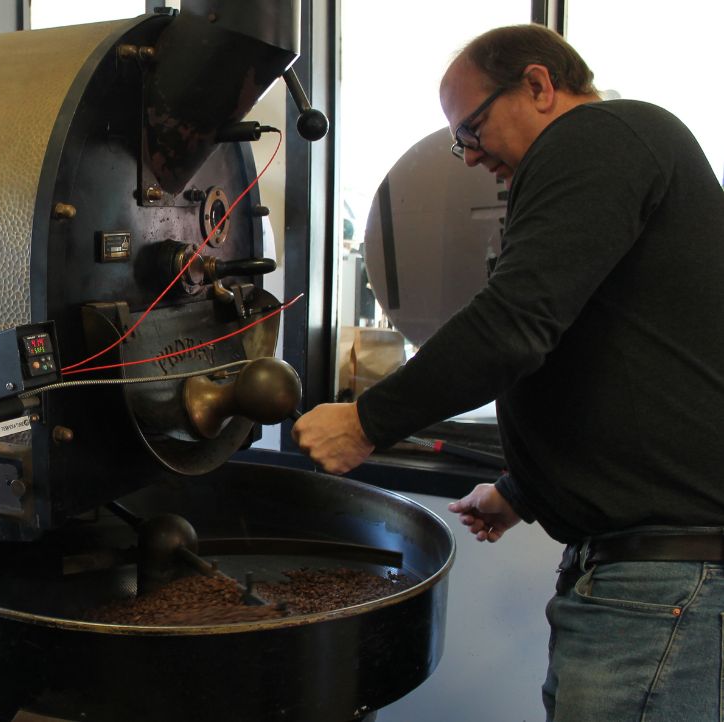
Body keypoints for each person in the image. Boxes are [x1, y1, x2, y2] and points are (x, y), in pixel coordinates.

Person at [292, 24, 724, 721]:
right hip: (641, 578)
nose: (467, 156)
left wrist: (365, 422)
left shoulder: (602, 137)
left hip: (660, 585)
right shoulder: (618, 158)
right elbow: (607, 358)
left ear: (537, 85)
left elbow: (515, 324)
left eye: (471, 128)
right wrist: (524, 490)